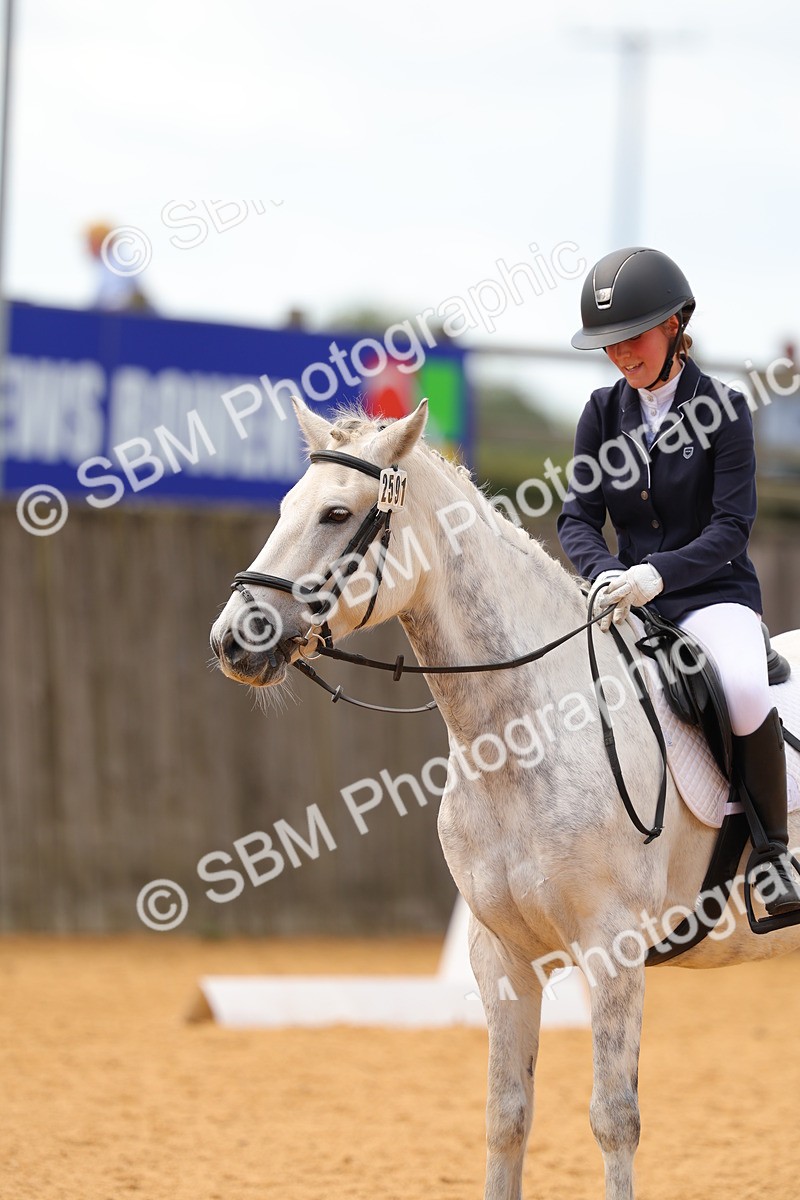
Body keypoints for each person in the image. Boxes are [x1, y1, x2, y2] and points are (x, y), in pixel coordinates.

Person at [557, 246, 800, 916]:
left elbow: (729, 528)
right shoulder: (602, 414)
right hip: (625, 597)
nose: (622, 357)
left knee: (746, 687)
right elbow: (576, 516)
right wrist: (608, 575)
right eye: (609, 346)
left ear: (673, 326)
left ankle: (774, 856)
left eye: (632, 339)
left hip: (710, 595)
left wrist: (652, 576)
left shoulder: (724, 410)